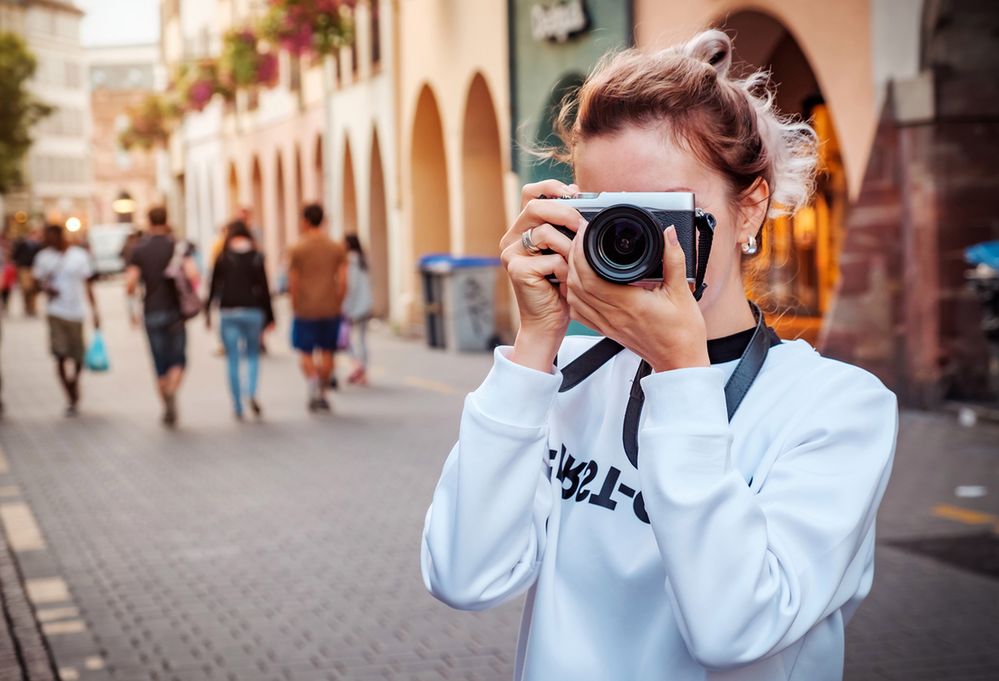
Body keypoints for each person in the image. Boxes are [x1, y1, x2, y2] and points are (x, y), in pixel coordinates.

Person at [421, 30, 897, 681]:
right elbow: (462, 574)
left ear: (749, 206)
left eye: (665, 215)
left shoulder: (837, 409)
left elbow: (734, 626)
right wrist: (533, 345)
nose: (632, 242)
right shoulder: (568, 385)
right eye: (610, 218)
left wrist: (679, 370)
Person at [125, 206, 197, 427]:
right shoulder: (177, 246)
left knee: (159, 363)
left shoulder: (139, 249)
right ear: (167, 220)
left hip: (151, 311)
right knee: (179, 359)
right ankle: (173, 391)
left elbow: (129, 284)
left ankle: (166, 400)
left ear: (148, 221)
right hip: (176, 312)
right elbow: (194, 274)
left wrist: (132, 310)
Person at [205, 219, 274, 420]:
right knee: (252, 355)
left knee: (232, 359)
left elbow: (213, 286)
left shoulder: (223, 257)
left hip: (229, 311)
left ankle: (237, 405)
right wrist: (270, 316)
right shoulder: (256, 256)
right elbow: (264, 288)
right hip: (253, 311)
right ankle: (250, 391)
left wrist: (208, 310)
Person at [32, 224, 101, 416]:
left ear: (59, 236)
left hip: (76, 312)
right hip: (55, 312)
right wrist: (46, 288)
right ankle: (70, 395)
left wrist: (95, 312)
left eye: (48, 236)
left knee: (78, 356)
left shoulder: (78, 256)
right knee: (60, 354)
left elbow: (88, 284)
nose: (45, 240)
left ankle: (74, 381)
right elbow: (36, 282)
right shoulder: (43, 257)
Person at [288, 203, 348, 412]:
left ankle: (313, 381)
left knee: (305, 352)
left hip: (305, 308)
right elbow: (343, 280)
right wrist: (338, 301)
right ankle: (322, 391)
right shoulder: (336, 247)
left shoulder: (297, 248)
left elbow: (293, 282)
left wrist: (294, 304)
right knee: (328, 352)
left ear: (305, 221)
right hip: (330, 307)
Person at [342, 234, 374, 386]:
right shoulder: (363, 260)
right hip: (365, 305)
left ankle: (357, 366)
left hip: (353, 306)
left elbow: (351, 287)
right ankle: (363, 370)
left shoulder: (349, 262)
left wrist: (345, 306)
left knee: (345, 339)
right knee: (361, 339)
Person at [13, 227, 42, 316]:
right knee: (26, 288)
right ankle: (27, 306)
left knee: (34, 289)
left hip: (34, 268)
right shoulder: (22, 244)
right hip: (24, 268)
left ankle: (32, 307)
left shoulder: (38, 245)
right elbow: (15, 255)